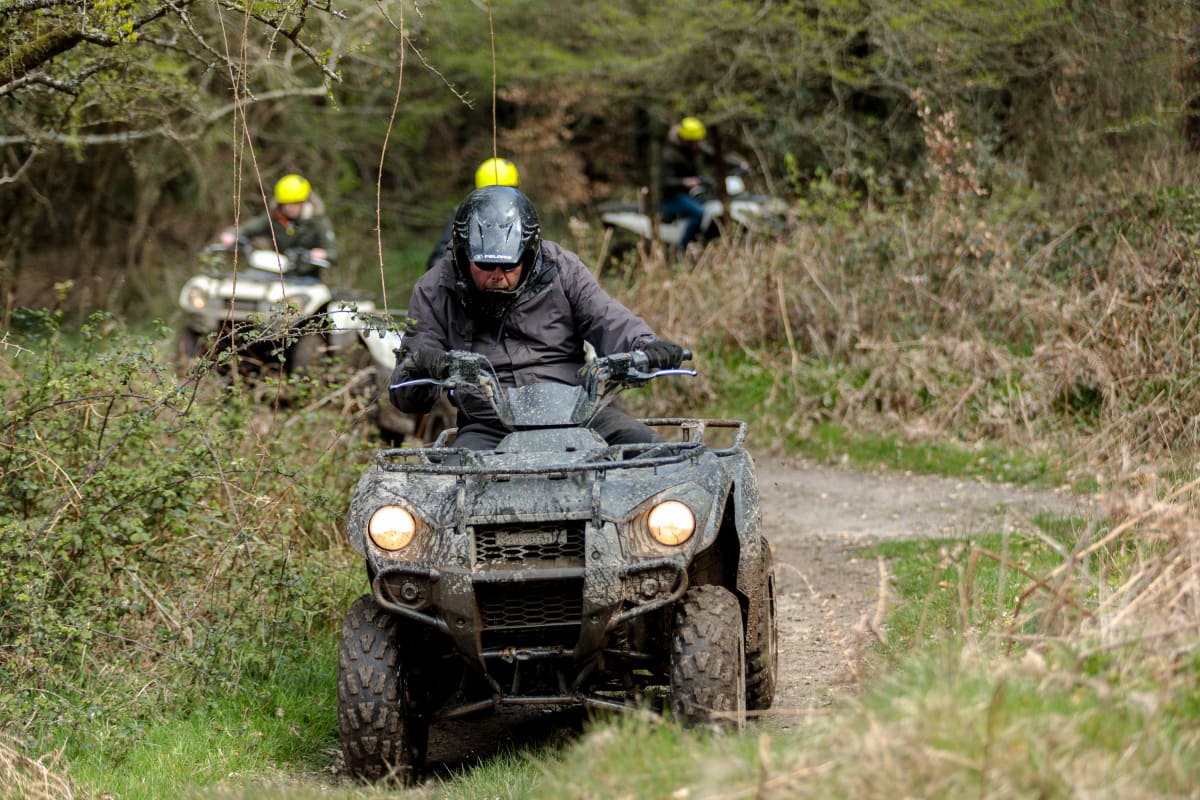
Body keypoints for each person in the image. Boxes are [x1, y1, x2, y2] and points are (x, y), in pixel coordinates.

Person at [391, 185, 686, 450]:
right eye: (483, 264)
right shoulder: (435, 287)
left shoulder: (562, 267)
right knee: (448, 492)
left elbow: (606, 316)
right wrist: (423, 365)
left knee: (660, 460)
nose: (497, 276)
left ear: (529, 253)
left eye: (509, 266)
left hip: (579, 411)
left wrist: (645, 346)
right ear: (462, 253)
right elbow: (408, 389)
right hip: (489, 426)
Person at [218, 174, 337, 275]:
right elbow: (248, 228)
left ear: (304, 202)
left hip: (306, 278)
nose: (291, 208)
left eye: (295, 203)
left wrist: (322, 254)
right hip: (275, 273)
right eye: (287, 204)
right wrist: (232, 234)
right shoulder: (273, 218)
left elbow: (333, 252)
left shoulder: (317, 221)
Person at [425, 156, 520, 271]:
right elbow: (438, 261)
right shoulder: (465, 215)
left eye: (509, 192)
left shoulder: (521, 215)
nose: (501, 200)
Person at [659, 116, 709, 252]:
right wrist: (685, 182)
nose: (697, 144)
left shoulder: (695, 149)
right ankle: (682, 249)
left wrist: (739, 163)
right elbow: (665, 182)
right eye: (694, 142)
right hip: (671, 196)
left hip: (688, 194)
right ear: (686, 140)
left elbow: (715, 156)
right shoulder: (670, 154)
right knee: (698, 212)